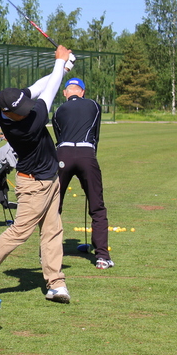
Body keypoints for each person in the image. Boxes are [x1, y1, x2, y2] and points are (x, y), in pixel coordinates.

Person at [0, 45, 73, 304]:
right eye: (21, 111)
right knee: (20, 232)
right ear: (7, 114)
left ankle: (55, 283)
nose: (27, 111)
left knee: (53, 231)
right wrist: (59, 63)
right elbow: (51, 89)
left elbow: (38, 86)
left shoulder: (8, 105)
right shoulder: (28, 124)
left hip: (51, 178)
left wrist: (63, 67)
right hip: (33, 184)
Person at [52, 77, 113, 269]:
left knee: (54, 205)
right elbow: (95, 134)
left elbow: (59, 136)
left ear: (65, 93)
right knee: (97, 206)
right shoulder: (94, 106)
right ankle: (102, 256)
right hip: (87, 153)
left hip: (63, 153)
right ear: (83, 92)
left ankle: (48, 254)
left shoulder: (58, 111)